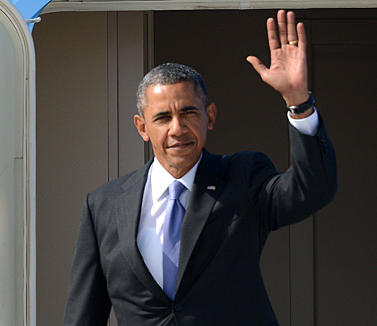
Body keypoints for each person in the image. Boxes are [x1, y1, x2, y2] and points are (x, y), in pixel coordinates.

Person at [63, 10, 337, 326]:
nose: (177, 129)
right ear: (142, 127)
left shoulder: (243, 177)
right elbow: (83, 313)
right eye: (162, 118)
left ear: (210, 116)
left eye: (189, 113)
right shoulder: (104, 205)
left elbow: (312, 190)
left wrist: (298, 101)